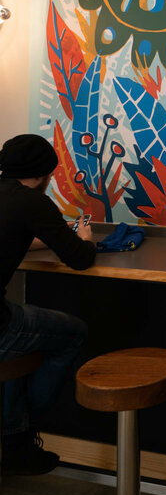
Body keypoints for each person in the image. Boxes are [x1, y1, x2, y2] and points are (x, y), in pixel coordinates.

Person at [0, 133, 96, 475]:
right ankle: (23, 432)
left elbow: (11, 234)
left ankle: (13, 439)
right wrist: (84, 238)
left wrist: (46, 237)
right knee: (73, 333)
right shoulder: (33, 202)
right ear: (43, 175)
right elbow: (80, 259)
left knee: (17, 341)